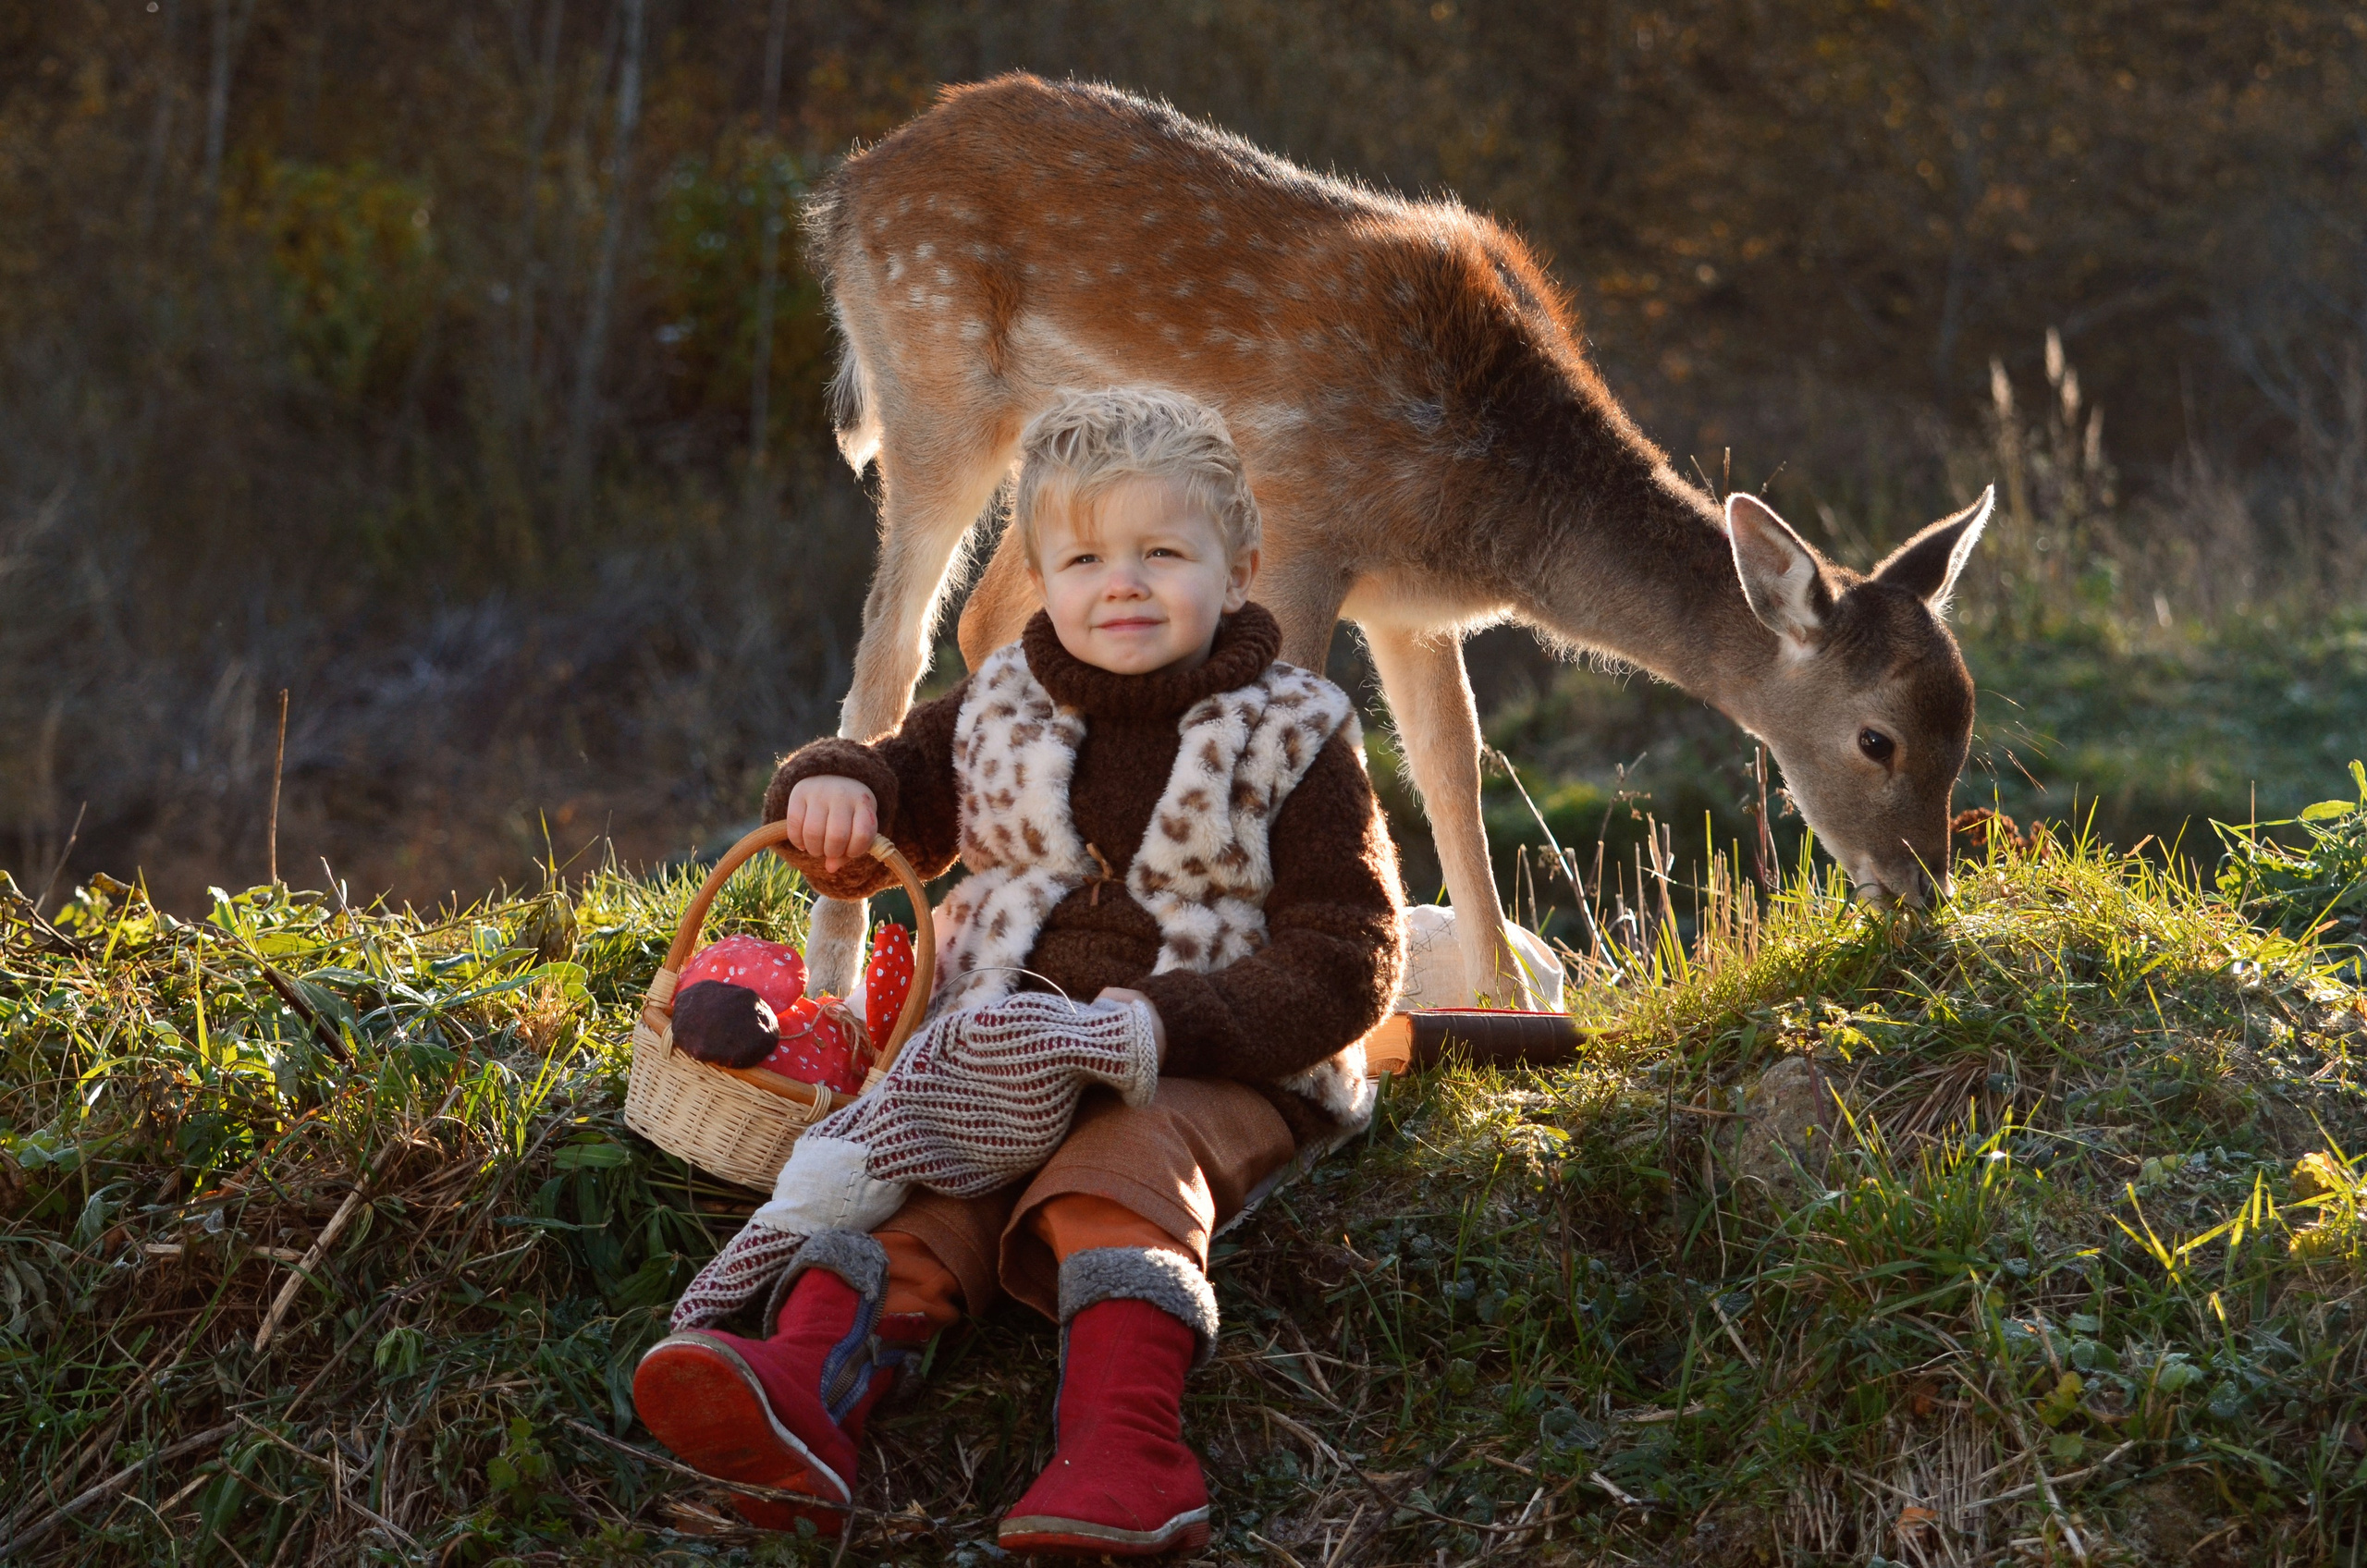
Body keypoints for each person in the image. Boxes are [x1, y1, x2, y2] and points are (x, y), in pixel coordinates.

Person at [632, 386, 1404, 1557]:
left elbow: (1350, 952)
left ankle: (1125, 1450)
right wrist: (836, 786)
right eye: (1084, 556)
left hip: (1205, 1052)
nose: (1122, 582)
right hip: (1007, 1040)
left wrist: (1165, 1021)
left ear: (1239, 568)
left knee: (1117, 1172)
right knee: (921, 1184)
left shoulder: (1293, 729)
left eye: (1163, 551)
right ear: (1038, 577)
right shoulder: (1003, 704)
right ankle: (806, 1387)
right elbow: (904, 802)